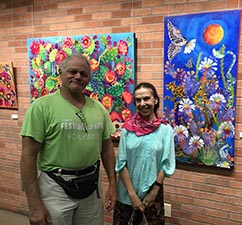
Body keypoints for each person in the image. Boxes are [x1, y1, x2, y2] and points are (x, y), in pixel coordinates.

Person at [20, 53, 117, 225]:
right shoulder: (41, 107)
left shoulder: (99, 108)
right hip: (55, 188)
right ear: (60, 72)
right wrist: (34, 205)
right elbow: (28, 156)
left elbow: (107, 149)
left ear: (88, 79)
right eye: (72, 71)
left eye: (84, 73)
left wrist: (112, 183)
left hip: (91, 187)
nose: (78, 76)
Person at [113, 82, 176, 225]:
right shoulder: (127, 129)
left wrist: (154, 191)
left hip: (152, 195)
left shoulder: (165, 130)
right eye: (138, 100)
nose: (142, 103)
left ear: (155, 100)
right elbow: (121, 164)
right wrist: (132, 195)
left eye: (146, 98)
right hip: (126, 195)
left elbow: (165, 164)